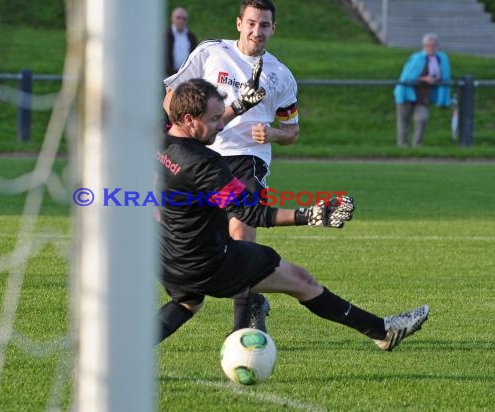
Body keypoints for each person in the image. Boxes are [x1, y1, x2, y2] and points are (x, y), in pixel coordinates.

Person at [156, 78, 430, 353]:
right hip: (209, 262)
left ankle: (121, 354)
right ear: (189, 119)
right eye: (215, 118)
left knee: (187, 302)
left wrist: (239, 106)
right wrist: (310, 215)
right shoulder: (205, 164)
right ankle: (383, 331)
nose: (220, 124)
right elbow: (251, 212)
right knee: (301, 281)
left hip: (168, 258)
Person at [163, 0, 299, 333]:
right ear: (239, 23)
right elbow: (170, 101)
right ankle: (248, 300)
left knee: (240, 231)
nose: (257, 31)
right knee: (200, 240)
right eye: (251, 23)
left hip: (248, 158)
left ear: (273, 29)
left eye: (264, 25)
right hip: (199, 157)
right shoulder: (211, 53)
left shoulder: (280, 75)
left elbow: (292, 132)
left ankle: (244, 333)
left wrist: (273, 134)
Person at [394, 33, 452, 148]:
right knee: (404, 120)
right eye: (428, 45)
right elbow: (408, 76)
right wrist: (423, 78)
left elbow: (444, 75)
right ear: (424, 46)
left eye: (433, 45)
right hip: (408, 92)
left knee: (422, 119)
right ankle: (402, 144)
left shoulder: (441, 59)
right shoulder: (417, 58)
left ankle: (417, 144)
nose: (431, 48)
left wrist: (435, 80)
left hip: (424, 95)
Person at [165, 7, 198, 77]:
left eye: (184, 18)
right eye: (178, 18)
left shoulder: (191, 36)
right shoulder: (165, 35)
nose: (181, 20)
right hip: (168, 77)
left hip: (186, 76)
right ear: (172, 18)